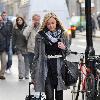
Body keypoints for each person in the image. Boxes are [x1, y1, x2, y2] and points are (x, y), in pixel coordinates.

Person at [31, 12, 69, 100]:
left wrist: (64, 48)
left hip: (59, 67)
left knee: (59, 95)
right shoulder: (40, 36)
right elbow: (36, 56)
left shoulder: (63, 34)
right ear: (45, 24)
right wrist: (33, 75)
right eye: (48, 24)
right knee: (50, 95)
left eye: (53, 23)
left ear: (57, 23)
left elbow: (68, 53)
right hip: (46, 67)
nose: (51, 26)